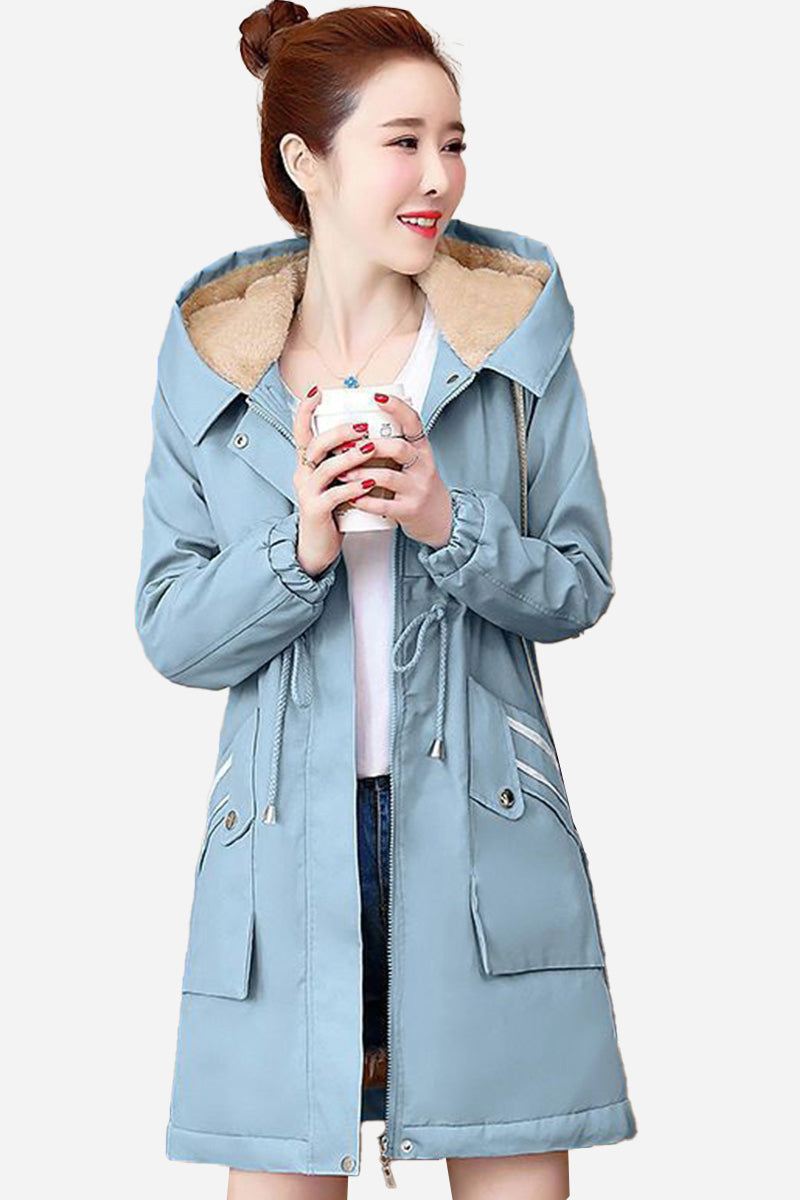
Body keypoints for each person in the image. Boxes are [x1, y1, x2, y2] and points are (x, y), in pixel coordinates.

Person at [134, 4, 637, 1197]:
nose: (438, 177)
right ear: (305, 161)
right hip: (280, 860)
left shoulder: (511, 350)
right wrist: (297, 546)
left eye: (452, 143)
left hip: (484, 842)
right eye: (403, 143)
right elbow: (170, 628)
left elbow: (577, 583)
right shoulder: (215, 367)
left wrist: (447, 521)